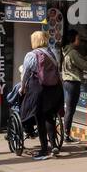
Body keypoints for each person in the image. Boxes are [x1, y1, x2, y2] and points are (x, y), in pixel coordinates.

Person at [21, 30, 64, 160]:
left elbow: (26, 74)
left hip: (39, 89)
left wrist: (22, 88)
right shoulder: (52, 52)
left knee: (40, 119)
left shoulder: (31, 55)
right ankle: (54, 145)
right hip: (54, 89)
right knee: (49, 117)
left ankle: (44, 149)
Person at [60, 29, 87, 144]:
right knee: (70, 110)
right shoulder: (73, 53)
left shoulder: (66, 50)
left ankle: (66, 135)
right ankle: (66, 136)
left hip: (67, 82)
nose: (80, 40)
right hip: (73, 83)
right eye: (78, 38)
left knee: (69, 109)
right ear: (73, 39)